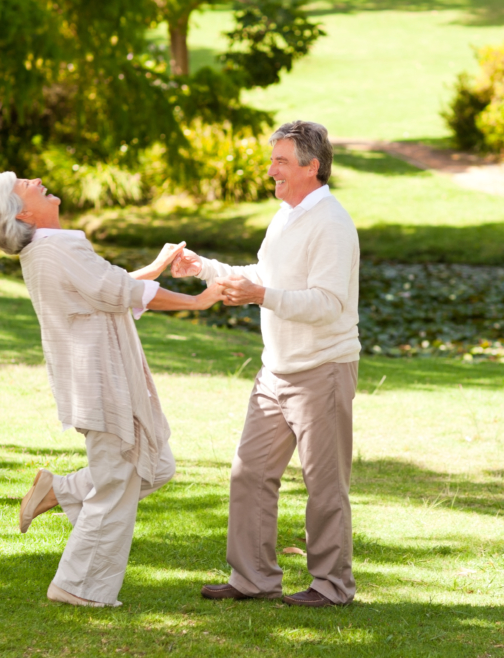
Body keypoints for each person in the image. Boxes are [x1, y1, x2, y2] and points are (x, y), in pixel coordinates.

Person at [0, 172, 224, 608]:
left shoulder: (46, 251)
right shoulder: (57, 246)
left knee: (156, 466)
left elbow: (101, 287)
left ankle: (60, 491)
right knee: (117, 482)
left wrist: (155, 269)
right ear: (21, 212)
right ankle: (77, 587)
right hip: (102, 381)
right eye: (23, 184)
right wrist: (197, 301)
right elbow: (115, 291)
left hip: (95, 378)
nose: (35, 179)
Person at [171, 121, 361, 608]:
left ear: (310, 166)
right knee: (249, 473)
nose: (270, 169)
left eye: (280, 161)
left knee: (324, 485)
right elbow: (266, 277)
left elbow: (327, 302)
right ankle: (253, 578)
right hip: (275, 370)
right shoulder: (286, 215)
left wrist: (262, 296)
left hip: (322, 369)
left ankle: (331, 587)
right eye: (272, 159)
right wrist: (206, 269)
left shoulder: (332, 223)